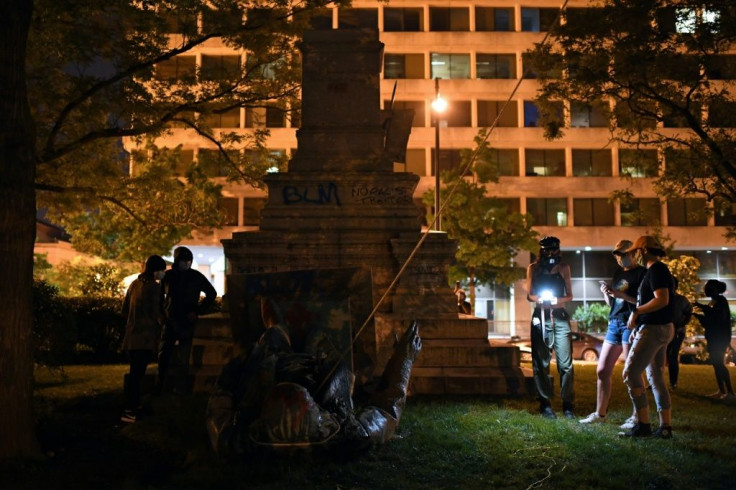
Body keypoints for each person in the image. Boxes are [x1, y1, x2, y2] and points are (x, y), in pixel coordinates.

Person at [580, 240, 646, 425]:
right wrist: (607, 294)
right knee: (602, 370)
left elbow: (643, 303)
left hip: (630, 324)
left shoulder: (642, 274)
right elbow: (613, 303)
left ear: (634, 254)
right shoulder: (618, 274)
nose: (620, 258)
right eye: (617, 255)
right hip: (614, 323)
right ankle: (600, 414)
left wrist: (622, 296)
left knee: (632, 372)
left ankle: (637, 415)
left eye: (624, 254)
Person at [621, 236, 675, 438]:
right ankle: (665, 427)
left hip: (655, 329)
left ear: (643, 251)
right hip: (658, 327)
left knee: (630, 373)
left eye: (635, 251)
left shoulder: (657, 270)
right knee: (655, 377)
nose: (634, 255)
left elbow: (662, 299)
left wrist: (637, 312)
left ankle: (643, 424)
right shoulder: (654, 271)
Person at [526, 236, 575, 419]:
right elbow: (529, 294)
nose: (550, 253)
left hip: (560, 317)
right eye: (546, 249)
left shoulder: (564, 267)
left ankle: (568, 404)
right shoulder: (533, 268)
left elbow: (570, 295)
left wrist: (556, 300)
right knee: (541, 362)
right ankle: (545, 403)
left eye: (553, 249)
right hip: (541, 316)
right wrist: (539, 299)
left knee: (566, 364)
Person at [157, 246, 217, 394]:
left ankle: (180, 388)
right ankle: (161, 386)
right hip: (170, 321)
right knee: (164, 355)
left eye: (189, 261)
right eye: (184, 261)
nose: (187, 264)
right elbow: (159, 298)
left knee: (183, 357)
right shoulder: (168, 276)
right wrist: (162, 315)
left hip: (186, 321)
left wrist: (197, 311)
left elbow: (211, 293)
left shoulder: (195, 276)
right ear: (177, 261)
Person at [121, 255, 167, 423]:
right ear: (156, 270)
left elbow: (124, 309)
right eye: (162, 270)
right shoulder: (154, 288)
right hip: (145, 337)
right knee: (137, 375)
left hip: (132, 336)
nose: (163, 273)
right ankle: (129, 410)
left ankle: (134, 406)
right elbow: (157, 314)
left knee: (135, 372)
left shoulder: (134, 284)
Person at [692, 279, 735, 399]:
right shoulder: (713, 302)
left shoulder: (721, 300)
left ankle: (730, 393)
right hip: (713, 337)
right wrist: (698, 316)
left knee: (719, 363)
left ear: (714, 289)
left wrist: (703, 308)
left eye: (707, 287)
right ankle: (721, 391)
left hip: (720, 338)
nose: (705, 289)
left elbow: (718, 318)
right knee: (716, 364)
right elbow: (709, 322)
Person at [665, 277, 692, 390]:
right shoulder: (662, 298)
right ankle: (656, 382)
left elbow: (688, 314)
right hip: (663, 331)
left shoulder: (681, 300)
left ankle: (673, 383)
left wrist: (679, 326)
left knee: (672, 356)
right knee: (660, 357)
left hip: (677, 332)